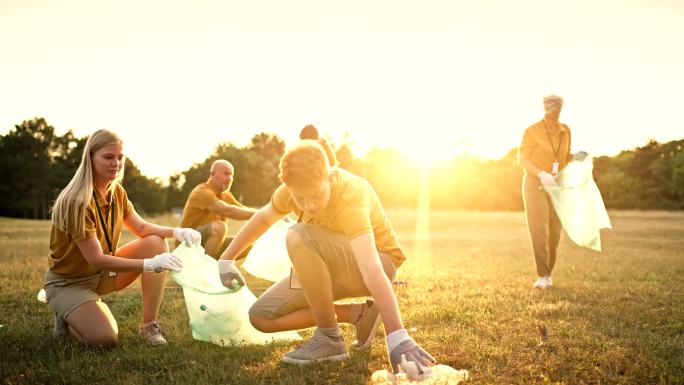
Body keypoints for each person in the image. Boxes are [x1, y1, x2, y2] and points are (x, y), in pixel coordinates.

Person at [216, 140, 436, 374]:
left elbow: (371, 266)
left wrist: (397, 335)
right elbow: (263, 218)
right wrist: (226, 259)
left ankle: (329, 338)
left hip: (378, 264)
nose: (309, 205)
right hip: (328, 268)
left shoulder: (351, 194)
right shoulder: (289, 192)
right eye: (300, 198)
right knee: (261, 316)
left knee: (297, 236)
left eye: (316, 194)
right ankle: (359, 314)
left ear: (329, 177)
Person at [45, 129, 201, 347]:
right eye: (108, 157)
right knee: (104, 339)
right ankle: (68, 315)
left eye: (120, 157)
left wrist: (177, 232)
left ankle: (149, 327)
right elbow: (97, 259)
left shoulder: (116, 191)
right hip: (69, 284)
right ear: (90, 158)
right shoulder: (76, 202)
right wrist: (150, 264)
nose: (116, 163)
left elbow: (143, 227)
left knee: (156, 242)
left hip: (101, 276)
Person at [517, 95, 573, 289]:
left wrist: (578, 158)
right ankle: (543, 275)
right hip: (536, 183)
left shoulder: (566, 131)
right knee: (539, 229)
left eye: (557, 108)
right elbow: (522, 159)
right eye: (549, 107)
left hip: (557, 184)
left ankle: (549, 274)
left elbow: (564, 157)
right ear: (544, 108)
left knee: (555, 232)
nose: (553, 111)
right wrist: (541, 173)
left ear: (560, 108)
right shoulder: (531, 131)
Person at [179, 160, 257, 259]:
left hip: (206, 247)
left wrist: (269, 212)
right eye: (226, 174)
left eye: (231, 175)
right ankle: (205, 269)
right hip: (188, 245)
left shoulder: (225, 194)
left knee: (247, 244)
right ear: (212, 174)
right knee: (219, 227)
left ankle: (216, 268)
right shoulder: (202, 192)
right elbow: (228, 210)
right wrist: (264, 214)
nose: (230, 179)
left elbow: (242, 209)